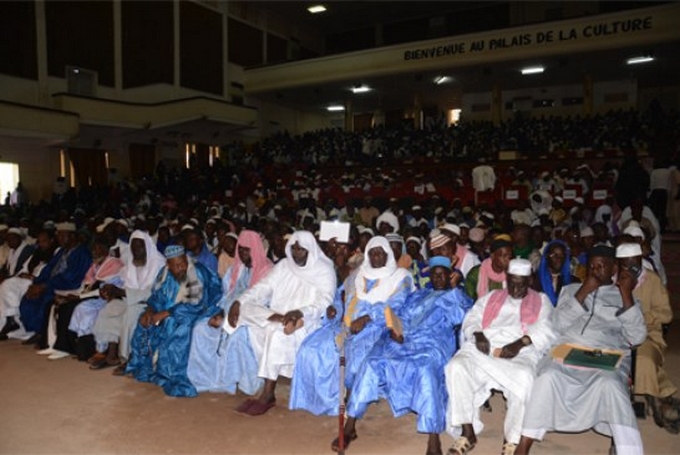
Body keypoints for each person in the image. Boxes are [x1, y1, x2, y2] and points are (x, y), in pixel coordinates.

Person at [516, 245, 647, 455]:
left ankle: (628, 450)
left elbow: (637, 337)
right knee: (548, 377)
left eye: (601, 266)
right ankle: (524, 444)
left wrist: (625, 294)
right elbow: (557, 324)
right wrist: (584, 291)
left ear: (614, 269)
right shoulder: (570, 291)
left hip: (606, 356)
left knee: (611, 384)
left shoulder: (625, 297)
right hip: (569, 351)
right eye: (592, 266)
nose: (595, 271)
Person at [337, 256, 472, 454]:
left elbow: (464, 317)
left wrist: (455, 291)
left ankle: (433, 438)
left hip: (433, 342)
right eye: (434, 275)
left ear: (450, 275)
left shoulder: (457, 296)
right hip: (404, 339)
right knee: (372, 362)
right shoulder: (418, 294)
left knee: (425, 370)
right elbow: (398, 315)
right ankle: (350, 427)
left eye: (442, 275)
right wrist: (395, 330)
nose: (438, 279)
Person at [289, 236, 413, 417]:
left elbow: (396, 306)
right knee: (310, 349)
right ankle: (315, 400)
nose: (376, 257)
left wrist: (367, 318)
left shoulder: (401, 277)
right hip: (345, 325)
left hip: (376, 328)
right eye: (372, 254)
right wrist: (334, 310)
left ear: (388, 255)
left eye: (380, 254)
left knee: (354, 359)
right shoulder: (357, 275)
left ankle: (348, 401)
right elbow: (341, 298)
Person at [445, 259, 555, 455]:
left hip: (520, 351)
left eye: (521, 283)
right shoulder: (492, 296)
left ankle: (512, 440)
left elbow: (546, 329)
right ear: (507, 278)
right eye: (512, 282)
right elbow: (472, 317)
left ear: (529, 281)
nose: (516, 288)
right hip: (485, 347)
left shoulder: (541, 300)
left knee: (524, 377)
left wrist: (520, 343)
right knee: (456, 366)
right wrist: (477, 334)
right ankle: (467, 432)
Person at [225, 231, 336, 415]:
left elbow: (324, 302)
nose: (296, 253)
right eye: (294, 249)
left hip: (304, 322)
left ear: (310, 249)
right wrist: (240, 301)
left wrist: (300, 312)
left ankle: (268, 394)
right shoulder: (285, 265)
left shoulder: (324, 269)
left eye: (301, 249)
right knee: (247, 312)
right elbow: (264, 287)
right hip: (279, 315)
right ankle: (275, 318)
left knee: (276, 333)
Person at [125, 244, 222, 397]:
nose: (180, 268)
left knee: (175, 327)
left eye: (182, 263)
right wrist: (150, 310)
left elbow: (197, 304)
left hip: (195, 312)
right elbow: (157, 297)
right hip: (170, 311)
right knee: (143, 321)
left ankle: (171, 375)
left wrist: (166, 313)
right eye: (175, 265)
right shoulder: (165, 274)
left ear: (186, 259)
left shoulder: (196, 272)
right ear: (168, 265)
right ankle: (143, 366)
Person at [186, 230, 273, 392]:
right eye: (240, 249)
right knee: (200, 328)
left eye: (246, 249)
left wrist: (227, 318)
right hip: (228, 313)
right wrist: (220, 312)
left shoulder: (267, 270)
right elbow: (226, 295)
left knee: (237, 336)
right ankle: (206, 377)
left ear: (255, 249)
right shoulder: (236, 269)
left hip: (253, 318)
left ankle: (242, 381)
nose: (242, 252)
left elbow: (262, 303)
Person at [617, 243, 678, 432]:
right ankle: (662, 396)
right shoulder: (611, 279)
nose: (630, 269)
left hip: (648, 333)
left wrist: (641, 316)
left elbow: (666, 314)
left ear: (640, 260)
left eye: (634, 263)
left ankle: (655, 401)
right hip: (615, 333)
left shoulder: (651, 280)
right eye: (624, 265)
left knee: (642, 359)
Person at [90, 230, 167, 371]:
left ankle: (128, 358)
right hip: (131, 299)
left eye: (140, 247)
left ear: (147, 247)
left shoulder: (158, 263)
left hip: (150, 304)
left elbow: (153, 292)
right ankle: (110, 354)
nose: (136, 251)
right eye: (133, 247)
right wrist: (112, 291)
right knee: (109, 310)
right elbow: (125, 283)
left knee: (131, 315)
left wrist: (121, 292)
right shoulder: (132, 263)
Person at [41, 236, 124, 361]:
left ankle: (65, 348)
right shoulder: (95, 265)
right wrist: (67, 295)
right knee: (53, 303)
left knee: (68, 308)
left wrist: (77, 297)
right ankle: (52, 344)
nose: (94, 252)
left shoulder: (115, 264)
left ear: (105, 250)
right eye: (93, 249)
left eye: (97, 249)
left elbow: (102, 289)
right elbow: (85, 286)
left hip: (104, 299)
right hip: (89, 295)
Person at [19, 222, 92, 347]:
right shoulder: (62, 251)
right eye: (59, 236)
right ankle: (38, 331)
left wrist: (44, 286)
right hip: (52, 284)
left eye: (63, 236)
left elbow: (72, 277)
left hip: (68, 287)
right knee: (28, 297)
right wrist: (36, 284)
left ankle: (44, 334)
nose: (60, 239)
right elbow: (49, 269)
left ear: (73, 236)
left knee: (46, 299)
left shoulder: (82, 252)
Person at [0, 230, 57, 340]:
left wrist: (33, 278)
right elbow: (25, 267)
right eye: (39, 242)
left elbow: (53, 273)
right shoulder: (37, 252)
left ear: (51, 240)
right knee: (6, 284)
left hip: (40, 282)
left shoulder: (56, 253)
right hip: (28, 279)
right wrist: (23, 275)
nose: (41, 244)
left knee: (10, 285)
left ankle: (16, 320)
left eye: (44, 241)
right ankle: (11, 318)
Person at [464, 236, 513, 301]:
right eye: (503, 256)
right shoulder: (476, 273)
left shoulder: (512, 274)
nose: (508, 260)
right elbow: (469, 299)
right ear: (492, 256)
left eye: (509, 256)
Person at [533, 239, 577, 306]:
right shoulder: (534, 280)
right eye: (554, 255)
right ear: (546, 257)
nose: (558, 258)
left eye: (562, 255)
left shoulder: (573, 282)